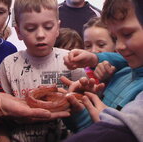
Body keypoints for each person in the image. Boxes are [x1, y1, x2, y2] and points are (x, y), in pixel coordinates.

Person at [0, 0, 87, 141]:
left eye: (48, 27)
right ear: (18, 31)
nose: (40, 35)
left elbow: (85, 113)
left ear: (57, 28)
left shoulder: (72, 63)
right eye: (31, 28)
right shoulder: (8, 65)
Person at [61, 0, 143, 141]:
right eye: (116, 37)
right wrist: (80, 107)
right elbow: (92, 129)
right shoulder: (121, 74)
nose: (120, 46)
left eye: (127, 34)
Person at [83, 17, 116, 83]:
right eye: (88, 46)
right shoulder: (81, 72)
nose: (93, 51)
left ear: (115, 45)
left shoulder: (125, 72)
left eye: (101, 45)